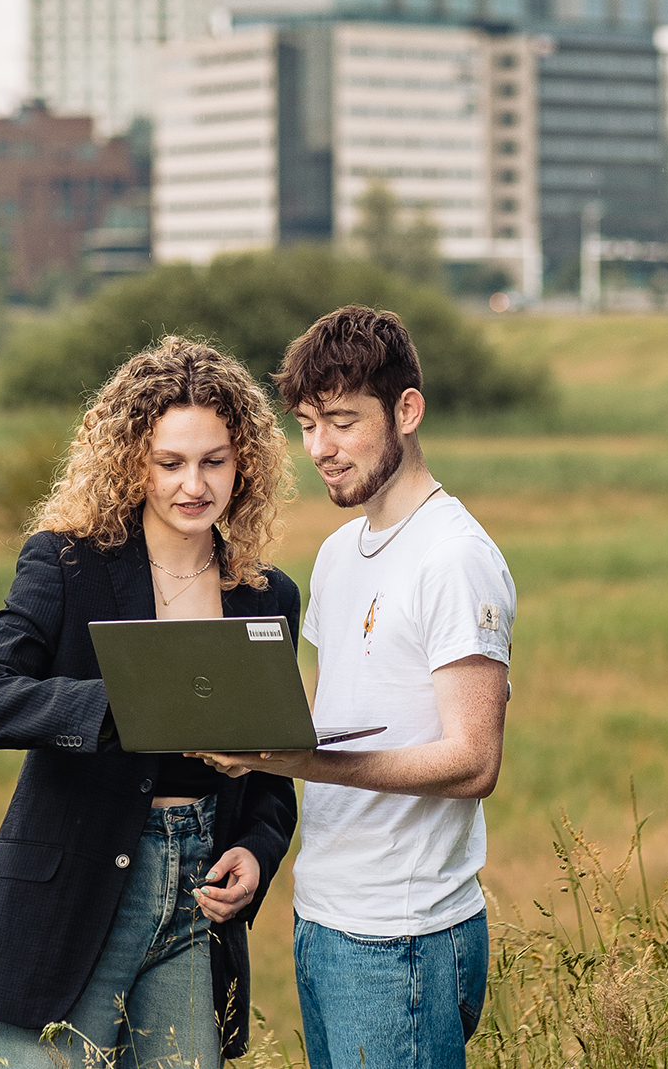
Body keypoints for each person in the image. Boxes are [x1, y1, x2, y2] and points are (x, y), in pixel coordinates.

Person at [0, 336, 301, 1068]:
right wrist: (124, 702)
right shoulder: (67, 562)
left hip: (196, 906)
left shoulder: (267, 595)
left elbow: (273, 768)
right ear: (134, 461)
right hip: (73, 896)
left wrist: (259, 853)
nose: (193, 484)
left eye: (214, 461)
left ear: (246, 463)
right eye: (170, 462)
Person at [203, 306, 515, 1069]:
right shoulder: (342, 551)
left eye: (343, 421)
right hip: (327, 915)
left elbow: (475, 762)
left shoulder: (454, 558)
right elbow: (332, 714)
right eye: (308, 424)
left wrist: (288, 759)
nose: (321, 449)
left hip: (402, 929)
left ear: (407, 410)